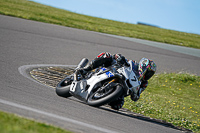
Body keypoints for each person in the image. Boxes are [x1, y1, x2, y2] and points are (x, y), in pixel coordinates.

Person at [79, 52, 156, 110]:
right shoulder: (134, 64)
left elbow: (135, 98)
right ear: (143, 67)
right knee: (107, 55)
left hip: (121, 89)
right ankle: (86, 69)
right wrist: (120, 58)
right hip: (112, 71)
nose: (149, 76)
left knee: (117, 105)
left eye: (151, 74)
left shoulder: (144, 83)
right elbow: (117, 56)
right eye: (148, 73)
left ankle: (101, 95)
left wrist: (135, 93)